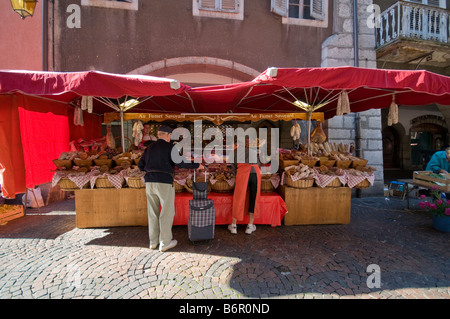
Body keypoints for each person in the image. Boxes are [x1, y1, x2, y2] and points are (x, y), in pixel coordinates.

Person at [138, 125, 203, 252]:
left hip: (150, 182)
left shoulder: (149, 147)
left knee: (153, 212)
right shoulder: (170, 147)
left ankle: (153, 242)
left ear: (158, 135)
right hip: (164, 182)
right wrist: (197, 165)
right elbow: (181, 163)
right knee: (167, 212)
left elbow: (141, 166)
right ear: (168, 136)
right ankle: (165, 242)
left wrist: (152, 168)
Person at [228, 137, 262, 235]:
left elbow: (234, 167)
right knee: (253, 198)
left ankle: (234, 226)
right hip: (256, 172)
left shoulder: (234, 152)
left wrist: (236, 176)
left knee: (239, 197)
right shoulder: (253, 150)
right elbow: (259, 164)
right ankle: (250, 226)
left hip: (243, 172)